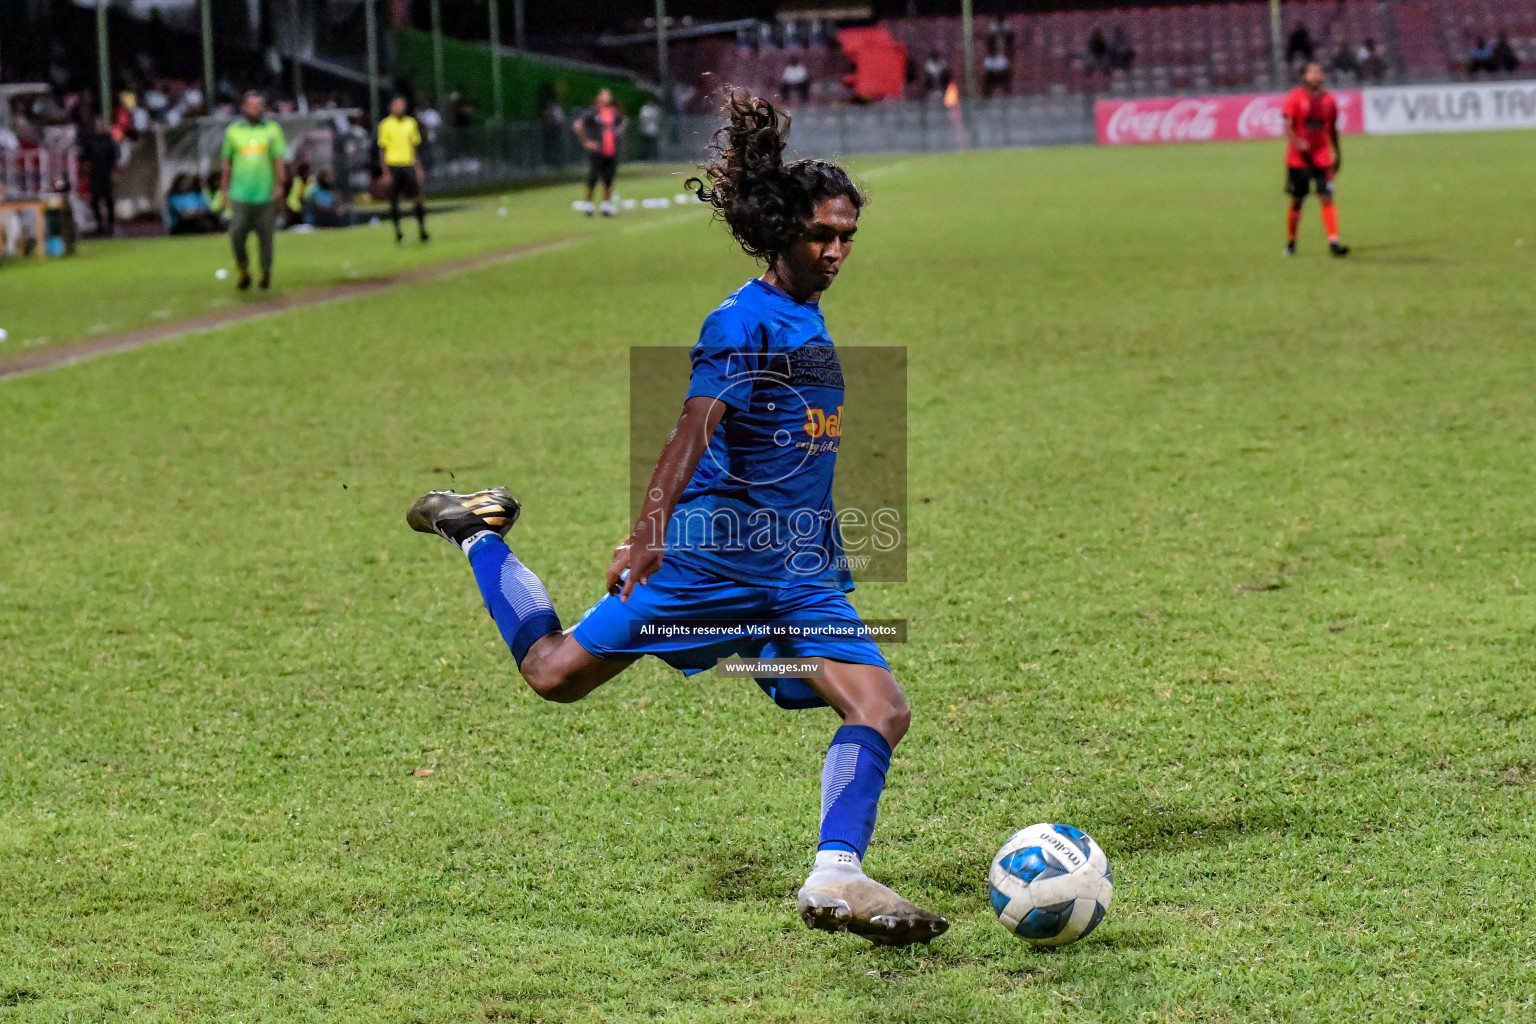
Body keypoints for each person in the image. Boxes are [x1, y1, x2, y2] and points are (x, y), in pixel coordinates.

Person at [404, 90, 949, 948]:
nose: (839, 250)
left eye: (848, 235)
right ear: (784, 234)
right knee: (554, 674)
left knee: (881, 707)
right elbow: (695, 426)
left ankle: (835, 872)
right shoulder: (741, 321)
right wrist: (650, 530)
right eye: (824, 235)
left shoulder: (802, 313)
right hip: (708, 563)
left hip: (800, 570)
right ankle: (476, 531)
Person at [219, 91, 287, 290]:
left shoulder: (273, 130)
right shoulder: (233, 132)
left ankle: (266, 272)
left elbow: (279, 160)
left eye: (260, 105)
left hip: (265, 194)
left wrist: (279, 185)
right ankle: (243, 269)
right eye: (253, 106)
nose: (258, 109)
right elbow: (226, 164)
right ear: (245, 107)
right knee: (237, 234)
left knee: (266, 238)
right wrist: (224, 192)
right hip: (240, 194)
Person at [1282, 61, 1347, 258]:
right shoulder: (1294, 97)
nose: (1316, 75)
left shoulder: (1329, 101)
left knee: (1326, 197)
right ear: (1304, 76)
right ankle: (1292, 242)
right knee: (1297, 201)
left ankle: (1334, 242)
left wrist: (1338, 153)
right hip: (1299, 160)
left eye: (1319, 71)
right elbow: (1287, 125)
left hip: (1322, 158)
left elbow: (1333, 129)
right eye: (1311, 72)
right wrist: (1296, 141)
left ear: (1323, 76)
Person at [377, 96, 429, 243]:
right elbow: (382, 149)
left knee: (417, 197)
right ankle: (398, 233)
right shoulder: (385, 125)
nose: (399, 108)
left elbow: (413, 147)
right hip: (393, 165)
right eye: (396, 105)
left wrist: (417, 168)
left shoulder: (410, 123)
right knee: (394, 201)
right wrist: (385, 172)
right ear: (391, 107)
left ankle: (422, 229)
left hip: (408, 164)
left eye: (401, 105)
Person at [573, 89, 627, 217]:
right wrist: (586, 142)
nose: (607, 97)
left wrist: (618, 131)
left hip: (611, 150)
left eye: (609, 95)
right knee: (593, 176)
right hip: (597, 150)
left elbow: (623, 121)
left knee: (609, 178)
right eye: (605, 95)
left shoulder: (614, 112)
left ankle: (606, 205)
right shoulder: (593, 112)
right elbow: (577, 125)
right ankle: (588, 203)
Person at [80, 118, 118, 237]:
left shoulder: (108, 140)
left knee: (108, 199)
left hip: (106, 173)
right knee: (95, 199)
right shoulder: (90, 140)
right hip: (95, 173)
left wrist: (113, 170)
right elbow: (85, 156)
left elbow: (114, 156)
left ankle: (110, 223)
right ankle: (99, 224)